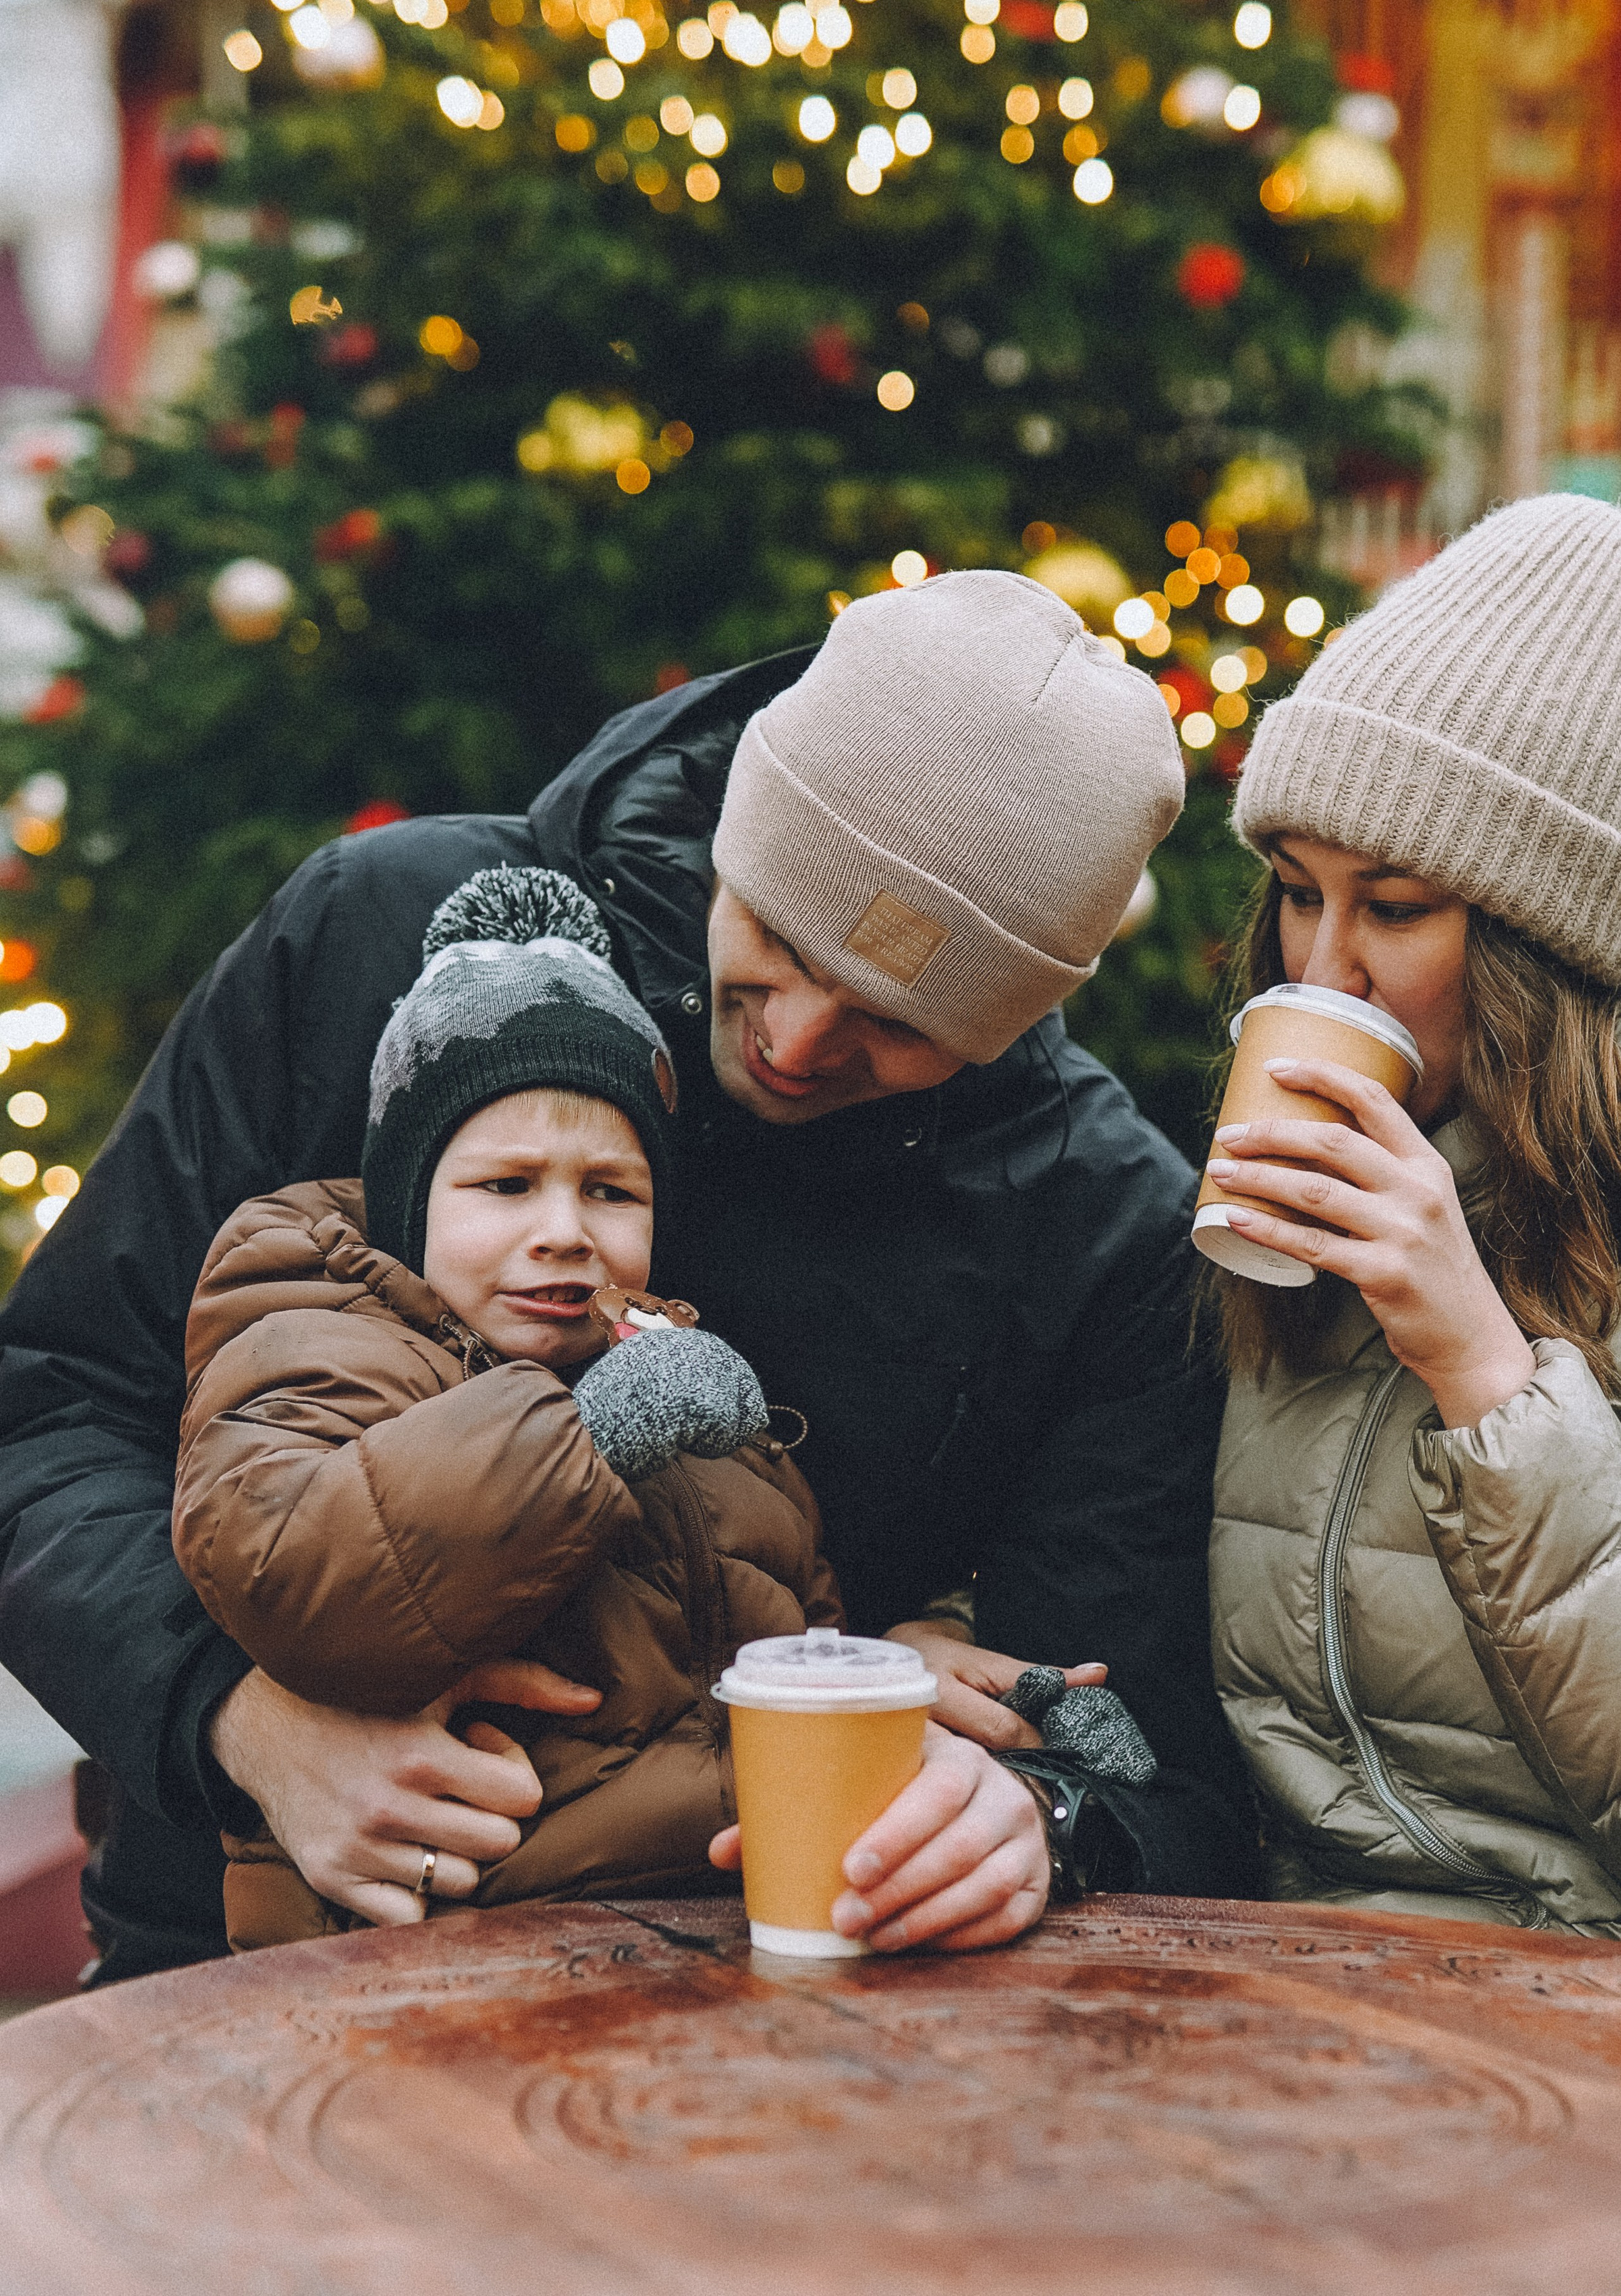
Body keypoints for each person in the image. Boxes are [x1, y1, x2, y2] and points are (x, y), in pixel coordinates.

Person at [0, 569, 1259, 1982]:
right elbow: (49, 1411)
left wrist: (1039, 1817)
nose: (794, 1039)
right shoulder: (379, 945)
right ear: (740, 827)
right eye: (776, 936)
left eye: (898, 1025)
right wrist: (242, 1726)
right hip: (244, 1964)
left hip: (778, 1999)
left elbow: (1145, 1746)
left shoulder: (1093, 1223)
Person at [1205, 491, 1621, 1947]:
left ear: (1536, 944)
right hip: (1274, 1962)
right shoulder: (1297, 1161)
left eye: (1393, 906)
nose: (1323, 968)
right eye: (1296, 895)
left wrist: (1483, 1374)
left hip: (1608, 1989)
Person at [178, 864, 857, 1947]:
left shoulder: (676, 1380)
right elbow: (293, 1567)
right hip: (424, 1958)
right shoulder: (323, 1332)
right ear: (414, 1198)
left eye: (610, 1190)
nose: (564, 1231)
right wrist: (591, 1440)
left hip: (708, 1946)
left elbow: (806, 1625)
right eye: (506, 1185)